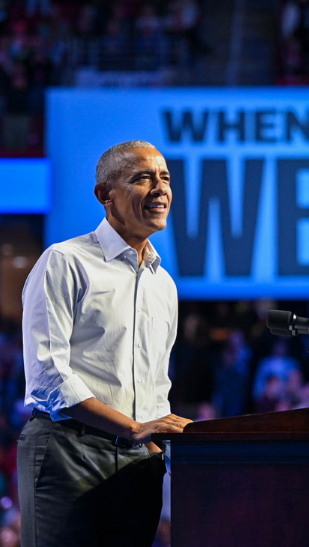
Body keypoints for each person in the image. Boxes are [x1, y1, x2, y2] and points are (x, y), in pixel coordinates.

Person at [17, 140, 192, 547]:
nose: (160, 188)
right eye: (142, 178)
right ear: (105, 195)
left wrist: (152, 442)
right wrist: (135, 428)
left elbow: (156, 384)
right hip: (67, 452)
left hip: (138, 464)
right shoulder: (65, 261)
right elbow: (48, 377)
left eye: (164, 177)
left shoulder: (163, 284)